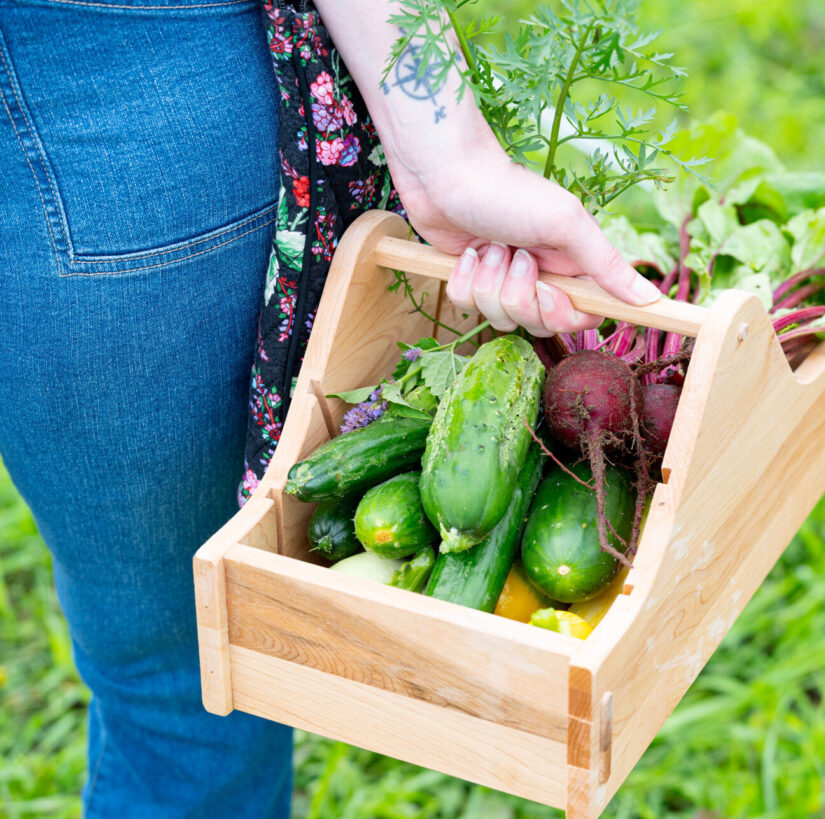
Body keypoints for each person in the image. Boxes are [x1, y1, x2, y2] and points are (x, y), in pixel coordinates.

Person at [0, 0, 659, 815]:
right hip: (121, 102)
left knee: (173, 659)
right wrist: (445, 146)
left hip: (86, 102)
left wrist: (448, 170)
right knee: (180, 688)